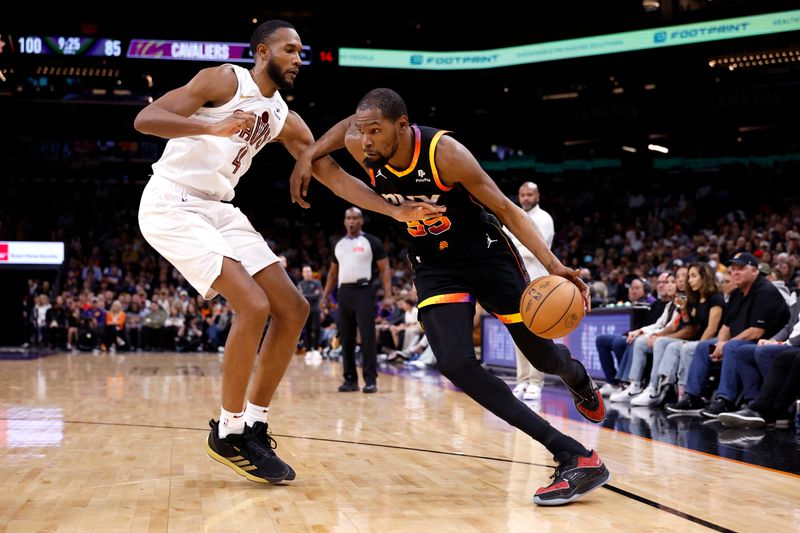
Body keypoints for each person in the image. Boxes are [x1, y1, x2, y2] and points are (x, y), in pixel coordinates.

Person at [134, 23, 441, 484]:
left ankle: (254, 423)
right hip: (172, 200)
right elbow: (147, 119)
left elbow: (333, 175)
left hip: (219, 208)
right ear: (262, 52)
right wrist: (212, 123)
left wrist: (393, 212)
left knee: (293, 309)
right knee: (253, 306)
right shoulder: (224, 81)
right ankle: (229, 431)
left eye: (302, 51)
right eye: (290, 49)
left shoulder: (283, 117)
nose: (300, 58)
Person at [290, 88, 609, 506]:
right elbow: (339, 153)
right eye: (361, 130)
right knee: (455, 362)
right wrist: (309, 153)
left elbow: (509, 210)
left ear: (402, 127)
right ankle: (571, 453)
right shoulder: (361, 144)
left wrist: (552, 265)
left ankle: (576, 377)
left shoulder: (447, 154)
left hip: (486, 256)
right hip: (433, 265)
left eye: (375, 131)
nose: (364, 140)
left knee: (543, 357)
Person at [321, 207, 392, 393]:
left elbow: (385, 269)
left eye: (355, 218)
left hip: (364, 292)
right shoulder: (338, 243)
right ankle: (350, 379)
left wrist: (388, 295)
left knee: (367, 337)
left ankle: (370, 380)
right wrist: (324, 296)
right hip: (344, 292)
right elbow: (332, 272)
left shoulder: (372, 241)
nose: (351, 221)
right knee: (347, 337)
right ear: (345, 221)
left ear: (361, 221)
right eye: (348, 218)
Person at [506, 182, 550, 401]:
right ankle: (522, 380)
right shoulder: (512, 216)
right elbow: (504, 245)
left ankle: (536, 382)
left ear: (537, 195)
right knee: (519, 334)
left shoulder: (544, 218)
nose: (525, 198)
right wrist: (516, 243)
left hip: (538, 284)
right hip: (517, 283)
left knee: (536, 333)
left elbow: (536, 248)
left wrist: (513, 244)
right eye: (522, 194)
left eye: (530, 194)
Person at [297, 265, 323, 356]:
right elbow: (299, 297)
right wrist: (311, 295)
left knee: (317, 329)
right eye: (305, 272)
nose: (307, 273)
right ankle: (308, 350)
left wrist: (305, 295)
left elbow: (318, 295)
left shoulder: (317, 283)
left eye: (309, 271)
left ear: (311, 272)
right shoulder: (300, 284)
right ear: (302, 273)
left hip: (315, 309)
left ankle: (316, 349)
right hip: (305, 311)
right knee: (306, 330)